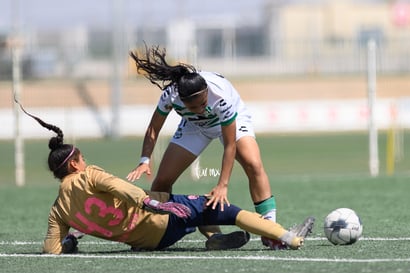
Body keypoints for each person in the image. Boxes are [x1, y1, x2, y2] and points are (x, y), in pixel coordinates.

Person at [16, 100, 315, 254]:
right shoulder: (88, 176)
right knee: (222, 207)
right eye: (81, 158)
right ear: (73, 165)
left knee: (199, 210)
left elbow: (51, 250)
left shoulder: (58, 210)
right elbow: (120, 188)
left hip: (148, 242)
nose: (86, 161)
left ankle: (215, 239)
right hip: (159, 218)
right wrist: (153, 203)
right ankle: (286, 237)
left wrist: (68, 244)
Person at [126, 45, 281, 249]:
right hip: (194, 127)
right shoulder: (171, 95)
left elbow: (230, 146)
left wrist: (222, 185)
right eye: (193, 107)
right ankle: (154, 231)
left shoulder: (220, 98)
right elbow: (153, 129)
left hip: (230, 122)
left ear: (207, 91)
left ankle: (270, 228)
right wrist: (144, 160)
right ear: (181, 100)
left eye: (202, 103)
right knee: (162, 181)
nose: (200, 109)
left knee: (252, 163)